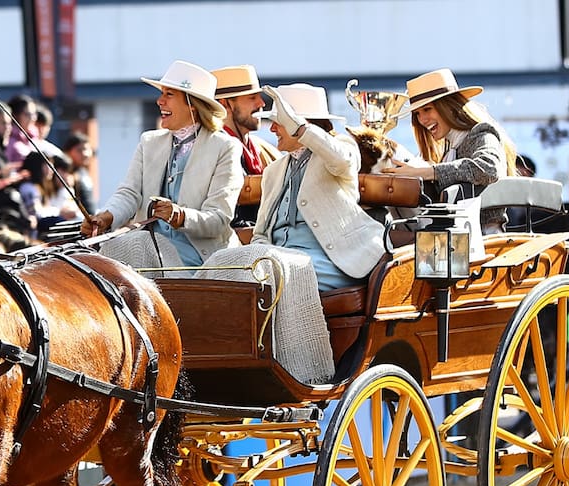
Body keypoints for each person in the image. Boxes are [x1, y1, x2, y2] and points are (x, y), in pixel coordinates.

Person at [201, 84, 386, 384]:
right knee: (226, 259)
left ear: (301, 124)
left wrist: (299, 127)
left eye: (279, 121)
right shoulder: (275, 170)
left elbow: (340, 158)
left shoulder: (340, 152)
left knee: (267, 262)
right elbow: (261, 234)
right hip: (281, 260)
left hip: (333, 261)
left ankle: (304, 368)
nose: (272, 128)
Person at [80, 60, 242, 269]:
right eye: (162, 94)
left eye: (169, 95)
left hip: (198, 257)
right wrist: (107, 217)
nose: (159, 101)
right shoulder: (149, 142)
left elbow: (219, 219)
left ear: (192, 105)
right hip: (148, 248)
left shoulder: (225, 147)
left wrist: (180, 216)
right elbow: (129, 193)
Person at [382, 68, 517, 233]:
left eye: (428, 109)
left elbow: (489, 168)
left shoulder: (480, 133)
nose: (422, 120)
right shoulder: (448, 149)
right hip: (451, 241)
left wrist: (428, 172)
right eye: (417, 113)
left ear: (449, 105)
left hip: (484, 238)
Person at [211, 64, 279, 225]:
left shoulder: (263, 148)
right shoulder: (212, 147)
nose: (261, 103)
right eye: (252, 98)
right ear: (225, 104)